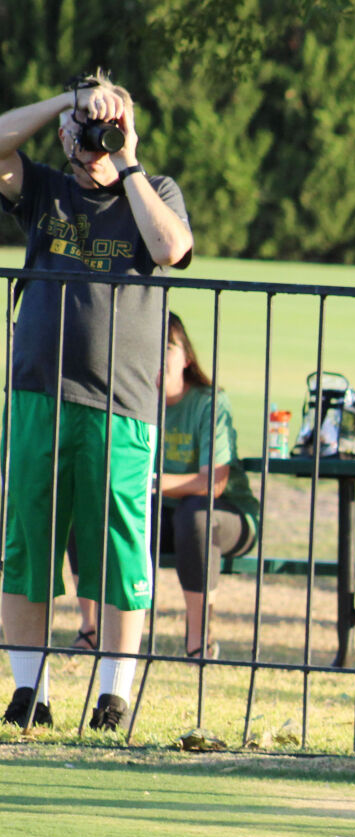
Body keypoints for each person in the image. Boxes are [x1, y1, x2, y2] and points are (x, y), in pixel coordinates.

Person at [0, 71, 194, 732]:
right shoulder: (47, 191)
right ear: (61, 132)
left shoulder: (155, 192)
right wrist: (65, 103)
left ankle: (113, 693)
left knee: (119, 548)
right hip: (37, 394)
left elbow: (172, 249)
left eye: (101, 126)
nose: (91, 140)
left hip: (122, 403)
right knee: (28, 540)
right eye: (81, 128)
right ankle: (31, 690)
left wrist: (128, 158)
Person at [69, 313, 260, 659]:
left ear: (186, 357)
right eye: (149, 347)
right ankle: (90, 629)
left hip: (225, 517)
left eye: (168, 347)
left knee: (195, 515)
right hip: (157, 514)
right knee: (85, 507)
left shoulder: (208, 402)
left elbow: (214, 483)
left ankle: (199, 640)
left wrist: (148, 482)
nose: (158, 356)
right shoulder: (129, 401)